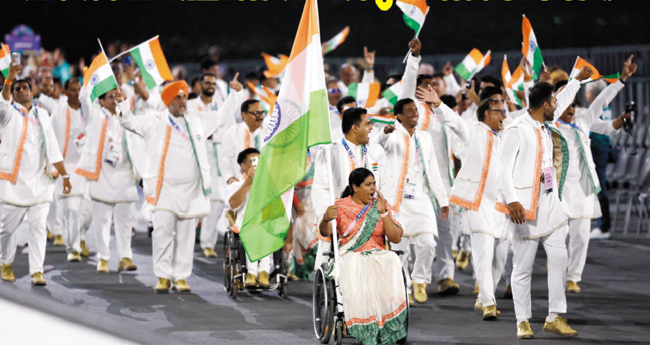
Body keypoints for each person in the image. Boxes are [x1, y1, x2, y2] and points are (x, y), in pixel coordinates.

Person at [118, 77, 243, 293]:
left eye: (184, 96)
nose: (183, 100)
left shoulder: (197, 120)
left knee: (186, 235)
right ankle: (163, 276)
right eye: (177, 97)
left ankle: (181, 277)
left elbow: (222, 116)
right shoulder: (155, 120)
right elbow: (130, 123)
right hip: (164, 189)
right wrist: (122, 104)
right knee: (162, 231)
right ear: (168, 102)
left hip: (192, 190)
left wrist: (234, 95)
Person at [496, 66, 593, 339]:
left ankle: (555, 316)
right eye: (553, 103)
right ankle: (522, 321)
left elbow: (562, 101)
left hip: (551, 204)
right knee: (523, 267)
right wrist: (512, 200)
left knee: (559, 259)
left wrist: (575, 80)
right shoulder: (516, 129)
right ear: (544, 105)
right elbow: (502, 169)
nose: (557, 107)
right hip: (525, 208)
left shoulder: (544, 123)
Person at [418, 84, 510, 320]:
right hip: (478, 204)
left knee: (500, 257)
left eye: (504, 110)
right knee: (483, 253)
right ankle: (489, 303)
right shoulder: (473, 130)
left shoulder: (510, 134)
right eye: (499, 111)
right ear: (485, 115)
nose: (504, 115)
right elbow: (453, 121)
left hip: (504, 206)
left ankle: (483, 298)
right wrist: (437, 104)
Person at [555, 56, 636, 293]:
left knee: (581, 235)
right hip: (558, 189)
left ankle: (573, 277)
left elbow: (601, 101)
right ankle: (558, 274)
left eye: (573, 104)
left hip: (582, 188)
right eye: (565, 104)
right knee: (559, 236)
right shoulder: (548, 125)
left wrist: (621, 79)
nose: (570, 109)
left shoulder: (582, 118)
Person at [0, 63, 71, 286]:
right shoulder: (8, 114)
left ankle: (37, 271)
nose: (21, 90)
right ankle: (6, 262)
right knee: (8, 230)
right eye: (17, 88)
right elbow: (2, 103)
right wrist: (9, 79)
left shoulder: (43, 114)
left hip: (41, 182)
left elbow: (53, 146)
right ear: (12, 93)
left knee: (39, 229)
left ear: (31, 91)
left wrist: (65, 176)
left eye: (25, 87)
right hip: (14, 183)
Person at [319, 168, 407, 345]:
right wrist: (326, 218)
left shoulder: (381, 204)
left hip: (376, 252)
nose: (373, 188)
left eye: (374, 183)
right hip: (350, 253)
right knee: (355, 264)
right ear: (355, 187)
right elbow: (325, 232)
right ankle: (360, 321)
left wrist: (383, 213)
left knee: (391, 259)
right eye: (368, 184)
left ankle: (388, 324)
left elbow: (396, 238)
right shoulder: (340, 206)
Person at [400, 38, 459, 296]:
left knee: (445, 233)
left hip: (444, 180)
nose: (430, 89)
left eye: (433, 85)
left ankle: (446, 276)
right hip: (418, 183)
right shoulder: (416, 112)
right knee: (416, 234)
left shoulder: (442, 113)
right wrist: (414, 59)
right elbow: (406, 88)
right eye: (425, 86)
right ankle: (409, 280)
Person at [377, 98, 450, 305]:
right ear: (399, 115)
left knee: (428, 243)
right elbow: (379, 144)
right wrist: (384, 133)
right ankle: (403, 287)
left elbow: (433, 170)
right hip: (398, 201)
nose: (415, 113)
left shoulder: (425, 138)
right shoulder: (392, 135)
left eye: (416, 110)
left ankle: (420, 279)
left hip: (421, 198)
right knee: (400, 250)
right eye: (409, 111)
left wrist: (442, 199)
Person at [312, 107, 392, 270]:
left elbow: (386, 185)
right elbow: (320, 188)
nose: (371, 128)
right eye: (367, 124)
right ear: (355, 128)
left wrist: (387, 214)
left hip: (371, 219)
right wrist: (327, 214)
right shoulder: (330, 151)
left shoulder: (375, 150)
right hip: (342, 222)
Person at [77, 84, 140, 273]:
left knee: (124, 222)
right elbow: (84, 99)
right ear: (102, 101)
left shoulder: (127, 117)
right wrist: (88, 81)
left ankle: (125, 257)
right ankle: (103, 258)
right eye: (110, 96)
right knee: (101, 221)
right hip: (102, 174)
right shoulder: (96, 115)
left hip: (125, 175)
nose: (114, 99)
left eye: (116, 96)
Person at [187, 73, 238, 258]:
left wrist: (215, 137)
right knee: (192, 203)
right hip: (197, 159)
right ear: (200, 85)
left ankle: (207, 244)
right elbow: (191, 129)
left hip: (217, 161)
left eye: (213, 83)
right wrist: (205, 135)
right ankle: (185, 240)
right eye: (207, 82)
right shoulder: (192, 106)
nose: (210, 86)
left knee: (216, 203)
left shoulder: (220, 106)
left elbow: (229, 128)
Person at [51, 77, 93, 261]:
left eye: (79, 90)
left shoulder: (89, 111)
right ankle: (73, 248)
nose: (76, 93)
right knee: (72, 210)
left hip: (88, 167)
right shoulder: (58, 112)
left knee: (88, 211)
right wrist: (52, 166)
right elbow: (49, 139)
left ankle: (81, 236)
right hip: (67, 166)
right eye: (73, 90)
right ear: (66, 92)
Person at [225, 148, 272, 288]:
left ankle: (263, 271)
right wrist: (248, 182)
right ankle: (252, 272)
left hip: (264, 224)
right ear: (243, 166)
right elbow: (233, 205)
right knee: (252, 229)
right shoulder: (236, 185)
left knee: (265, 229)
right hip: (243, 223)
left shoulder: (267, 184)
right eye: (253, 161)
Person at [220, 99, 264, 184]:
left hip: (263, 186)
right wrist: (230, 178)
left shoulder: (267, 133)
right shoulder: (232, 133)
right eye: (256, 113)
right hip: (240, 185)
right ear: (244, 115)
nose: (260, 116)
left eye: (262, 113)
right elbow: (225, 160)